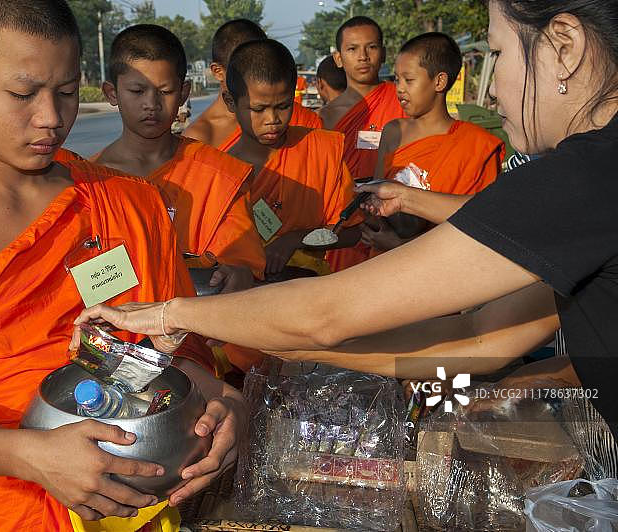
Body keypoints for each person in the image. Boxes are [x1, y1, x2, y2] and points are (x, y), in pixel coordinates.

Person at [75, 0, 618, 441]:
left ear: (564, 47)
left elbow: (329, 313)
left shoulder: (589, 176)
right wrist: (291, 347)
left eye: (499, 54)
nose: (492, 86)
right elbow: (475, 339)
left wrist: (171, 315)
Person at [0, 1, 244, 531]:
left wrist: (226, 401)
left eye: (67, 92)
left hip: (134, 493)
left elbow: (170, 353)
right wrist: (34, 456)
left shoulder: (124, 202)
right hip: (0, 503)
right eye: (22, 94)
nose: (50, 118)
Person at [216, 39, 365, 371]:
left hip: (310, 310)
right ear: (231, 101)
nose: (273, 120)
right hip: (245, 320)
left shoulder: (319, 150)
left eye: (283, 106)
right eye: (258, 109)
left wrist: (295, 239)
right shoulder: (220, 172)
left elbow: (351, 234)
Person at [93, 24, 265, 295]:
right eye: (137, 91)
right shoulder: (90, 181)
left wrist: (237, 273)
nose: (151, 103)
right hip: (119, 332)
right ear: (112, 93)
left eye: (165, 91)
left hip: (204, 327)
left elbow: (242, 260)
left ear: (183, 93)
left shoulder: (218, 174)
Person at [358, 32, 505, 256]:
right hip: (383, 263)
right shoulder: (393, 131)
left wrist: (398, 245)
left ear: (439, 81)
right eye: (397, 79)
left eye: (409, 80)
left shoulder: (476, 145)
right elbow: (378, 200)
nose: (399, 88)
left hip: (439, 263)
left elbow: (478, 225)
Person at [185, 19, 323, 151]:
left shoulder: (299, 119)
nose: (259, 75)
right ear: (218, 71)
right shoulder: (200, 137)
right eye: (244, 66)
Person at [320, 17, 405, 178]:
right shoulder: (326, 117)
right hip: (344, 202)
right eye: (352, 49)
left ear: (384, 54)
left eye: (371, 47)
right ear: (338, 58)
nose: (363, 57)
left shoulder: (404, 101)